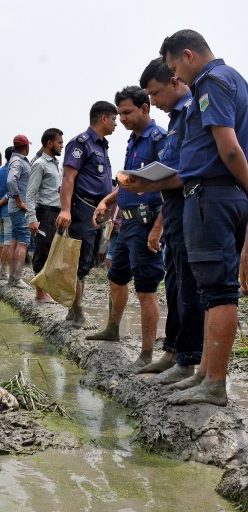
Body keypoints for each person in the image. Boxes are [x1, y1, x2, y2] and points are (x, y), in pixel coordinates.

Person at [149, 30, 248, 406]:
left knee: (219, 292)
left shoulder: (211, 84)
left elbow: (232, 150)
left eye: (175, 68)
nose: (177, 77)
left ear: (188, 56)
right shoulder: (234, 79)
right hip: (218, 195)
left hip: (213, 196)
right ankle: (206, 373)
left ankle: (215, 383)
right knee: (210, 289)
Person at [121, 57, 203, 384]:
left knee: (190, 285)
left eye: (155, 94)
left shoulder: (194, 111)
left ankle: (188, 360)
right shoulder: (174, 120)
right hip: (175, 211)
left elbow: (191, 169)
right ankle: (172, 351)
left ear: (175, 80)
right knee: (175, 283)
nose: (153, 102)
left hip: (191, 207)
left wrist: (150, 185)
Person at [87, 87, 166, 371]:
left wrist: (158, 229)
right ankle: (112, 328)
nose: (121, 119)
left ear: (145, 108)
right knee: (116, 277)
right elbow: (127, 181)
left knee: (146, 289)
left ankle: (146, 354)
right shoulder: (133, 141)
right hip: (125, 222)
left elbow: (171, 189)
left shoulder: (159, 140)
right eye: (119, 113)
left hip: (147, 223)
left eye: (127, 112)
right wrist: (106, 202)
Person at [56, 101, 118, 327]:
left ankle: (74, 310)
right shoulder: (81, 143)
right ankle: (76, 310)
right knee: (79, 257)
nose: (115, 124)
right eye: (113, 119)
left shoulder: (102, 146)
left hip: (96, 210)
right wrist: (65, 209)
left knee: (88, 257)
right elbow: (68, 178)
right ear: (103, 118)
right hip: (82, 208)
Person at [26, 129, 64, 302]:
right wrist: (32, 218)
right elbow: (31, 193)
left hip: (56, 211)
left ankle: (47, 290)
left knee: (53, 251)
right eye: (59, 142)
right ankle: (40, 293)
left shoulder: (56, 164)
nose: (61, 146)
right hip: (44, 211)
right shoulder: (40, 164)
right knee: (43, 249)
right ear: (50, 143)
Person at [6, 135, 34, 287]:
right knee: (23, 242)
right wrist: (19, 200)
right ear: (25, 147)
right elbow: (11, 180)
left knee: (15, 241)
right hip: (19, 208)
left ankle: (12, 278)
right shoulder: (18, 161)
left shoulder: (18, 160)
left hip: (15, 207)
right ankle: (17, 278)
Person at [0, 148, 14, 278]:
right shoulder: (12, 172)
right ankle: (4, 272)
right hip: (9, 211)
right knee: (7, 242)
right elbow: (11, 192)